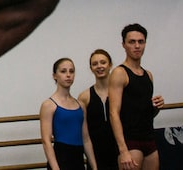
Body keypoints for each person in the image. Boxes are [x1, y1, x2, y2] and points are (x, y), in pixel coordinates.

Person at [109, 24, 164, 170]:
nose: (137, 46)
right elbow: (113, 113)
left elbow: (147, 113)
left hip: (149, 139)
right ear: (124, 45)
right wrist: (123, 149)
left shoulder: (148, 75)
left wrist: (156, 107)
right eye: (132, 42)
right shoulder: (119, 73)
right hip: (130, 141)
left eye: (141, 41)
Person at [39, 58, 96, 170]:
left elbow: (86, 139)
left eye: (71, 71)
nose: (68, 75)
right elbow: (46, 141)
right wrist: (56, 168)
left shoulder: (81, 105)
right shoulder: (49, 105)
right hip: (61, 158)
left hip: (78, 158)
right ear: (55, 75)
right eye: (63, 71)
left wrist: (94, 167)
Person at [77, 49, 117, 170]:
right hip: (96, 156)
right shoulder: (84, 97)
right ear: (91, 68)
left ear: (110, 65)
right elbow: (82, 132)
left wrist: (154, 108)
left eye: (103, 62)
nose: (99, 66)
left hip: (120, 153)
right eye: (95, 64)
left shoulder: (121, 93)